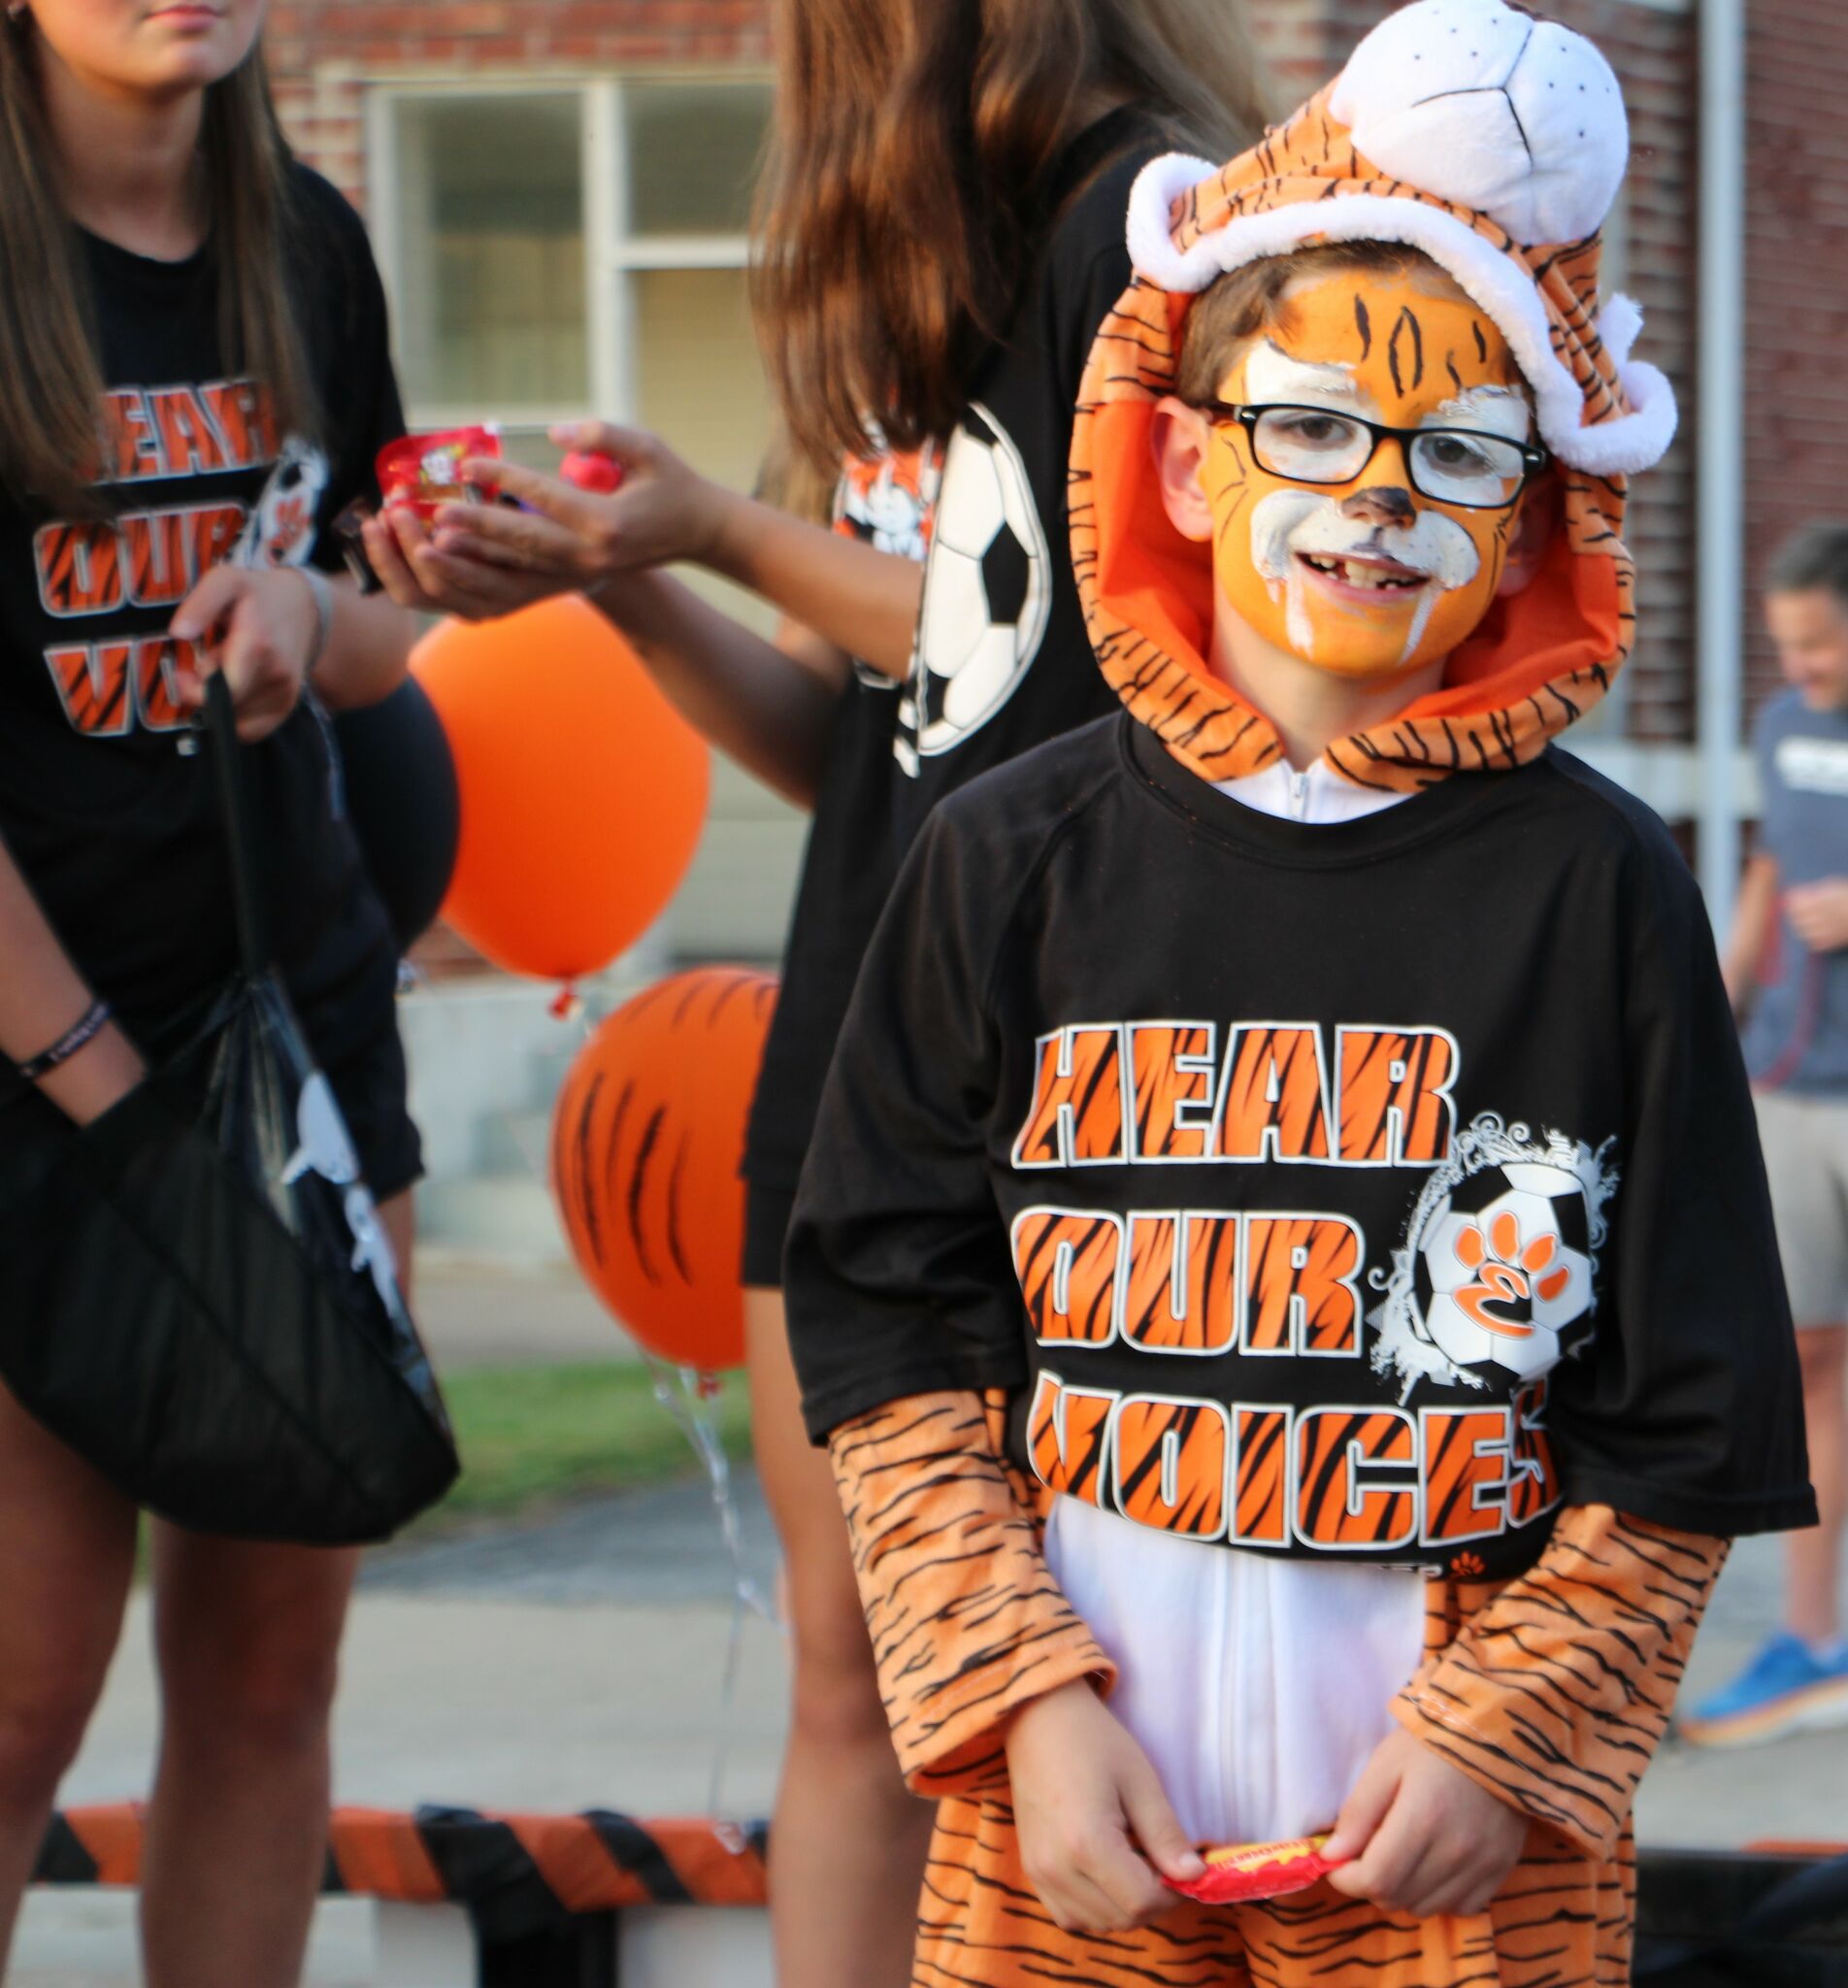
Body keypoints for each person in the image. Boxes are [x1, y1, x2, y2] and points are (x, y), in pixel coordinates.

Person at [781, 2, 1816, 1981]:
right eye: (1313, 426)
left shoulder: (1600, 895)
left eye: (1453, 452)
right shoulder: (1002, 863)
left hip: (1463, 1864)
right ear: (1177, 459)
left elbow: (1683, 1424)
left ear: (1530, 510)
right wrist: (1022, 1712)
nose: (1375, 496)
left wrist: (1508, 1744)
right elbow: (885, 1327)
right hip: (1069, 1830)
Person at [362, 2, 1270, 1980]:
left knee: (1097, 1682)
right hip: (856, 1049)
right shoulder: (928, 282)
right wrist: (624, 568)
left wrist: (710, 516)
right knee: (859, 1669)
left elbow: (1082, 650)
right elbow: (880, 737)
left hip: (1080, 1085)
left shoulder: (1145, 225)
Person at [0, 2, 420, 1980]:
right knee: (14, 1698)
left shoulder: (306, 235)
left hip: (295, 1041)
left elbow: (382, 614)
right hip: (39, 1067)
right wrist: (104, 1093)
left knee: (266, 1689)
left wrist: (313, 610)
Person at [1685, 520, 1848, 1746]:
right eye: (1786, 646)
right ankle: (1807, 1641)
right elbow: (1760, 870)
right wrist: (1712, 1005)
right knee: (1807, 1369)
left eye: (1820, 644)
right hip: (1794, 1091)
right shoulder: (1781, 727)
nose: (1799, 667)